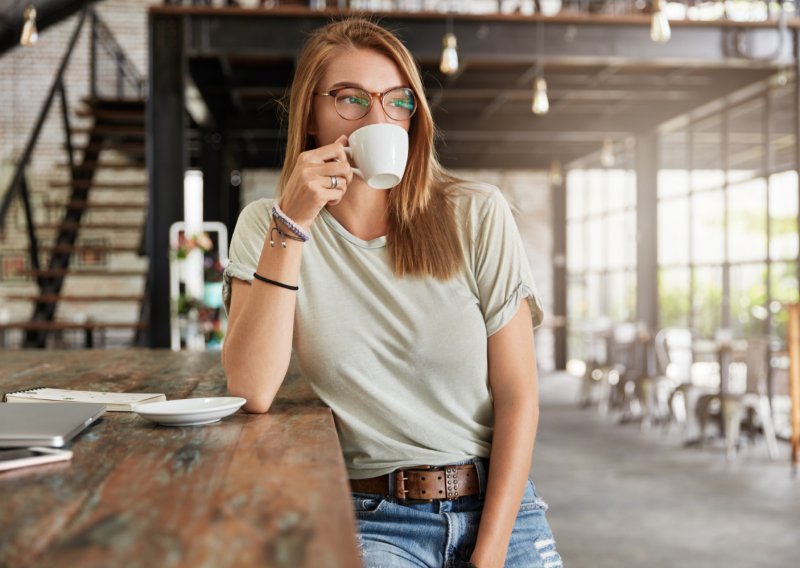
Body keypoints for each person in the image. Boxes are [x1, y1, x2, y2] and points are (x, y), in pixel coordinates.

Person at [221, 17, 561, 568]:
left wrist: (489, 555)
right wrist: (294, 222)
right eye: (351, 99)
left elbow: (519, 396)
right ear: (311, 114)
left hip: (501, 510)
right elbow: (251, 388)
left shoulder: (476, 213)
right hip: (370, 519)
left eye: (397, 101)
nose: (379, 117)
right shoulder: (269, 226)